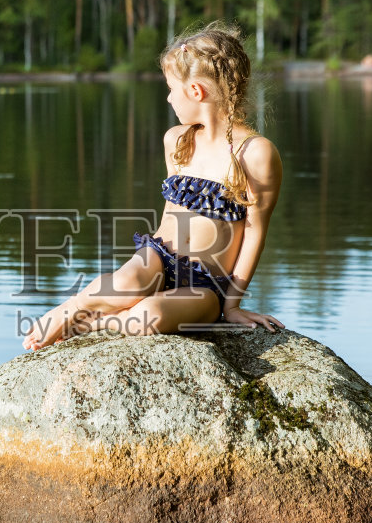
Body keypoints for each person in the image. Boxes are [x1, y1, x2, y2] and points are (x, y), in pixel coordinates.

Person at [22, 23, 282, 349]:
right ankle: (68, 309)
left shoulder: (256, 154)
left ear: (196, 92)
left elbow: (255, 231)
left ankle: (95, 323)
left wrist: (231, 305)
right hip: (159, 256)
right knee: (127, 281)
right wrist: (147, 268)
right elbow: (169, 216)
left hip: (206, 285)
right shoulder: (177, 140)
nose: (169, 98)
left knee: (151, 314)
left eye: (172, 88)